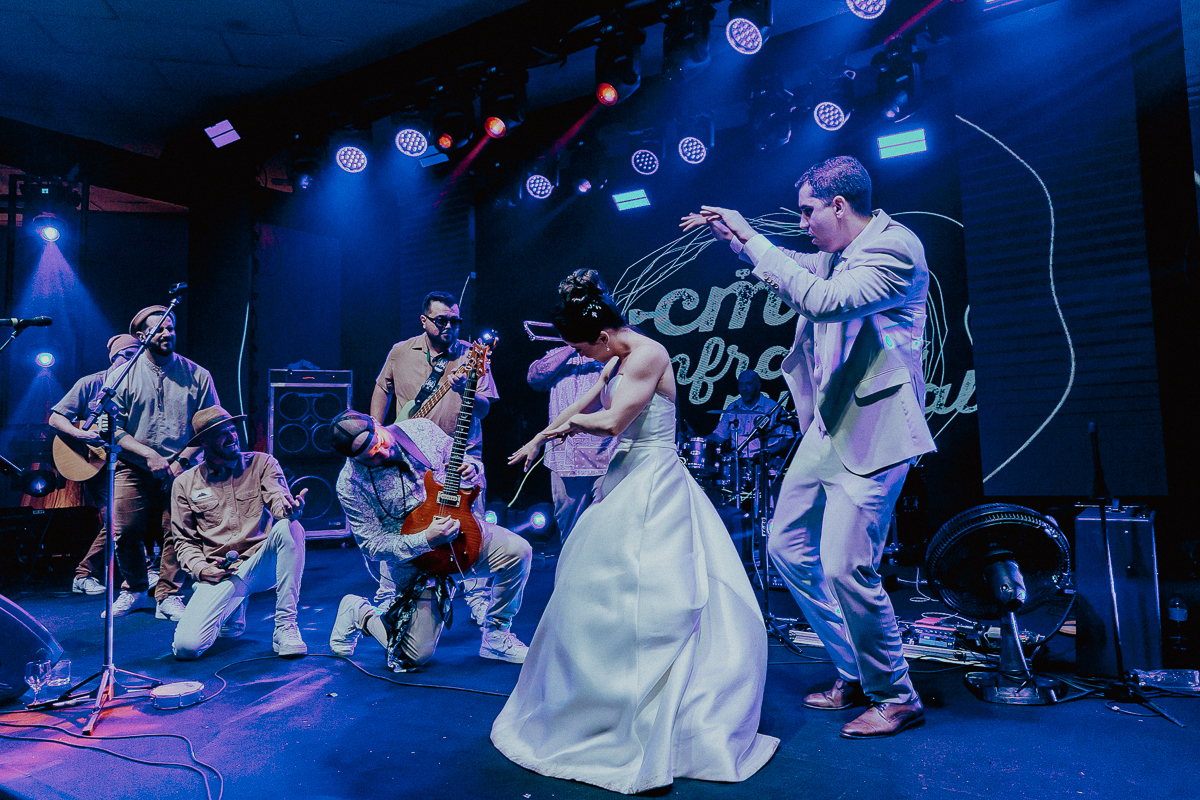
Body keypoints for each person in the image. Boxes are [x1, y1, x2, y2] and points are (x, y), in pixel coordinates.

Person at [492, 270, 778, 795]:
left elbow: (612, 422)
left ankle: (657, 704)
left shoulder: (647, 354)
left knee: (658, 589)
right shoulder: (617, 356)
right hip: (624, 475)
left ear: (602, 336)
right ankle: (602, 697)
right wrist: (538, 437)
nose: (589, 360)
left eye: (585, 349)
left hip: (654, 478)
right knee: (600, 586)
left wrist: (567, 430)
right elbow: (584, 402)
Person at [682, 155, 936, 739]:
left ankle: (896, 696)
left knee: (848, 566)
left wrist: (750, 233)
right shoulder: (837, 252)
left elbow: (823, 300)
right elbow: (799, 265)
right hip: (828, 424)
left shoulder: (896, 249)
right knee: (788, 547)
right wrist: (741, 243)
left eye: (807, 211)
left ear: (839, 206)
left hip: (876, 429)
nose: (802, 223)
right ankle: (854, 666)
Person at [327, 410, 531, 671]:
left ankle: (496, 635)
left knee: (518, 551)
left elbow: (462, 458)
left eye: (380, 441)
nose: (382, 452)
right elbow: (372, 545)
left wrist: (472, 468)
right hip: (416, 564)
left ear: (377, 424)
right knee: (414, 657)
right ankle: (360, 612)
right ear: (353, 459)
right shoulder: (350, 484)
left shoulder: (421, 430)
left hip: (461, 532)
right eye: (371, 456)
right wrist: (424, 539)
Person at [369, 291, 499, 621]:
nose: (450, 327)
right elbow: (382, 387)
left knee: (473, 523)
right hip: (411, 455)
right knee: (401, 523)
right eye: (442, 320)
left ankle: (477, 596)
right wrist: (375, 425)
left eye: (455, 321)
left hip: (461, 454)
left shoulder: (473, 355)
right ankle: (388, 592)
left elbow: (484, 408)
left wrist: (463, 390)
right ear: (424, 320)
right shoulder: (400, 352)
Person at [106, 305, 219, 621]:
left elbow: (211, 425)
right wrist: (148, 455)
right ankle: (136, 587)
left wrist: (182, 460)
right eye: (159, 330)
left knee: (177, 531)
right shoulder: (122, 375)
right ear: (142, 336)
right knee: (125, 531)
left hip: (181, 466)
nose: (167, 334)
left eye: (171, 328)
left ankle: (168, 594)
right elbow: (111, 429)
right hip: (135, 464)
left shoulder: (197, 375)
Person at [171, 406, 309, 660]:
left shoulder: (262, 463)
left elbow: (279, 498)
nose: (232, 437)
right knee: (187, 648)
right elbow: (184, 541)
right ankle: (234, 606)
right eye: (222, 434)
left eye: (233, 430)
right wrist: (202, 569)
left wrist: (289, 509)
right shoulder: (184, 483)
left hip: (261, 563)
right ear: (203, 442)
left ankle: (285, 625)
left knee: (291, 527)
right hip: (221, 571)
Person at [49, 334, 146, 596]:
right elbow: (57, 418)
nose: (133, 361)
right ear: (114, 358)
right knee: (116, 519)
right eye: (127, 355)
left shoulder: (142, 386)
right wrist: (82, 435)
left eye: (137, 355)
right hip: (94, 461)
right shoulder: (91, 383)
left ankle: (139, 567)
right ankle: (86, 573)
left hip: (127, 461)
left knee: (125, 519)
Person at [526, 345, 616, 540]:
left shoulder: (611, 351)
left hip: (607, 457)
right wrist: (573, 347)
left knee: (609, 532)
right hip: (565, 460)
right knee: (570, 535)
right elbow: (534, 378)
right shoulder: (555, 354)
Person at [707, 367, 794, 464]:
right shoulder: (732, 408)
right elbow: (719, 436)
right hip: (738, 464)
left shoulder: (773, 408)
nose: (744, 389)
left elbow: (788, 439)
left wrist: (768, 453)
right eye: (741, 384)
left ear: (758, 386)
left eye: (748, 384)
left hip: (766, 463)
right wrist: (697, 442)